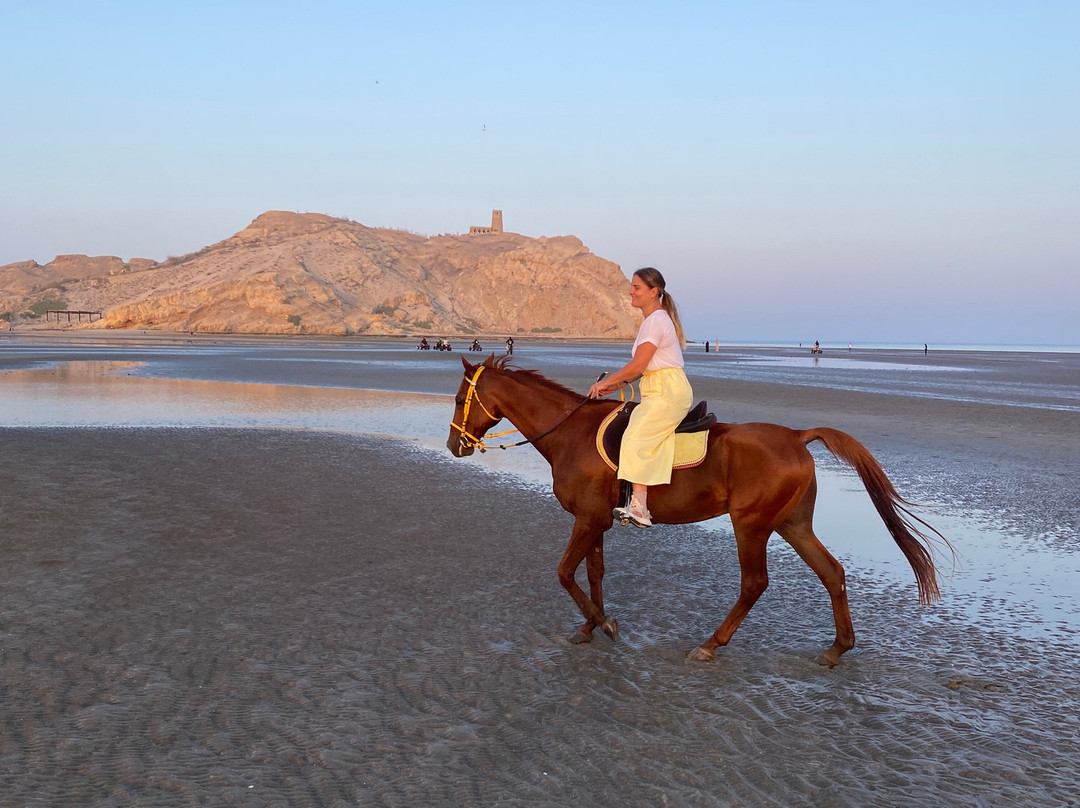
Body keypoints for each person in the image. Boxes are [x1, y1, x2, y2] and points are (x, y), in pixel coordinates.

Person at [588, 267, 692, 528]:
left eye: (636, 288)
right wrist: (615, 384)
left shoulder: (656, 320)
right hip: (658, 387)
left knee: (635, 436)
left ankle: (640, 507)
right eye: (632, 287)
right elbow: (643, 367)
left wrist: (607, 381)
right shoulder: (654, 320)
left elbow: (638, 365)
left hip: (667, 391)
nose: (631, 292)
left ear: (653, 292)